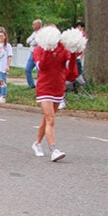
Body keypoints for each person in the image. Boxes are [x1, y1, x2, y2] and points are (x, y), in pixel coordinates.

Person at [30, 25, 79, 162]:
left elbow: (70, 68)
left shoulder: (63, 49)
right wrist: (47, 49)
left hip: (58, 87)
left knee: (47, 119)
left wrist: (74, 52)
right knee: (50, 118)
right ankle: (54, 150)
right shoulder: (38, 50)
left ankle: (37, 143)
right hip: (44, 87)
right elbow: (42, 67)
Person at [24, 18, 43, 88]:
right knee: (27, 69)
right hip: (32, 54)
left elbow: (36, 42)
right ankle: (31, 85)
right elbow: (27, 41)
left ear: (38, 25)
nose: (32, 26)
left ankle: (40, 85)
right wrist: (32, 40)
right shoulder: (34, 33)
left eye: (34, 24)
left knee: (39, 71)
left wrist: (32, 41)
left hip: (39, 54)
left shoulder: (42, 33)